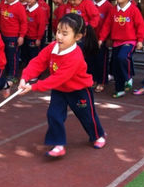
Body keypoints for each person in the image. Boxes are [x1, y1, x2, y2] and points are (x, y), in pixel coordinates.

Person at [18, 13, 106, 158]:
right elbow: (38, 62)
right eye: (58, 31)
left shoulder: (75, 56)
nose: (59, 36)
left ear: (77, 37)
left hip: (79, 90)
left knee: (87, 116)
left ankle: (98, 135)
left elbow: (58, 78)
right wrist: (25, 77)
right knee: (53, 114)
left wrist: (33, 87)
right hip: (60, 90)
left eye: (65, 34)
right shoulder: (53, 46)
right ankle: (59, 144)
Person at [99, 0, 144, 98]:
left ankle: (128, 77)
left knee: (122, 58)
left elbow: (140, 26)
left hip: (129, 41)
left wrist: (140, 40)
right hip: (116, 42)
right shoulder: (113, 10)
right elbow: (107, 26)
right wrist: (101, 38)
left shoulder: (134, 10)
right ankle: (120, 89)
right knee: (116, 66)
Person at [63, 0, 100, 75]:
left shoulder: (87, 3)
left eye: (74, 0)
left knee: (81, 55)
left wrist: (88, 28)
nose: (71, 2)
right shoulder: (68, 4)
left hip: (83, 36)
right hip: (70, 35)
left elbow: (95, 17)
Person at [0, 0, 28, 84]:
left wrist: (21, 36)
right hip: (3, 35)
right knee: (4, 55)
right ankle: (6, 72)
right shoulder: (3, 4)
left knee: (13, 57)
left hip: (13, 37)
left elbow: (24, 23)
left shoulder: (19, 7)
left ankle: (13, 75)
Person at [90, 0, 114, 92]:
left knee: (102, 61)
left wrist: (107, 39)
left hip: (102, 39)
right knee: (91, 60)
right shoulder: (89, 4)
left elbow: (110, 25)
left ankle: (102, 81)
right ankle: (93, 79)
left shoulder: (109, 7)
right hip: (90, 38)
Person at [22, 0, 46, 66]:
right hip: (26, 37)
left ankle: (35, 73)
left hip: (34, 38)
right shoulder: (24, 8)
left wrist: (39, 38)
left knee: (34, 56)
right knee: (26, 55)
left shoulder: (40, 11)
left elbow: (41, 26)